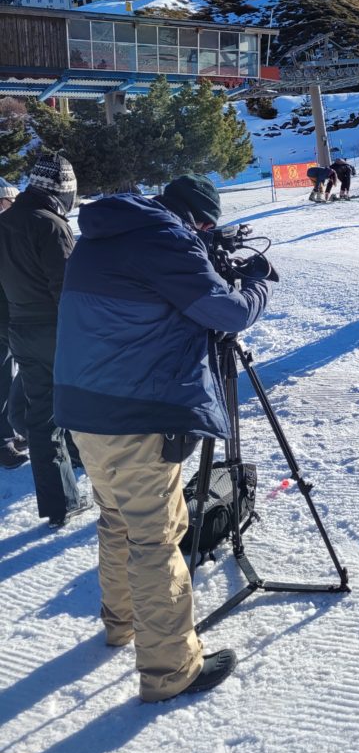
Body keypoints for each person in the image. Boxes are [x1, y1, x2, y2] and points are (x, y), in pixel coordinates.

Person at [53, 174, 276, 702]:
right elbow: (227, 313)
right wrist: (257, 282)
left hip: (84, 409)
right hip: (136, 413)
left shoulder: (101, 234)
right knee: (155, 538)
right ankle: (170, 670)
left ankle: (121, 622)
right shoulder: (166, 241)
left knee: (115, 518)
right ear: (198, 220)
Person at [0, 154, 85, 522]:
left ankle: (58, 500)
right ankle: (71, 492)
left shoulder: (5, 222)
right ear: (63, 191)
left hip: (19, 329)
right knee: (70, 406)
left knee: (40, 415)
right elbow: (68, 289)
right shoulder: (51, 225)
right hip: (55, 331)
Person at [0, 178, 28, 469]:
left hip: (10, 319)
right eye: (11, 202)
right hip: (3, 320)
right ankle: (2, 441)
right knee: (2, 379)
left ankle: (9, 429)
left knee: (8, 377)